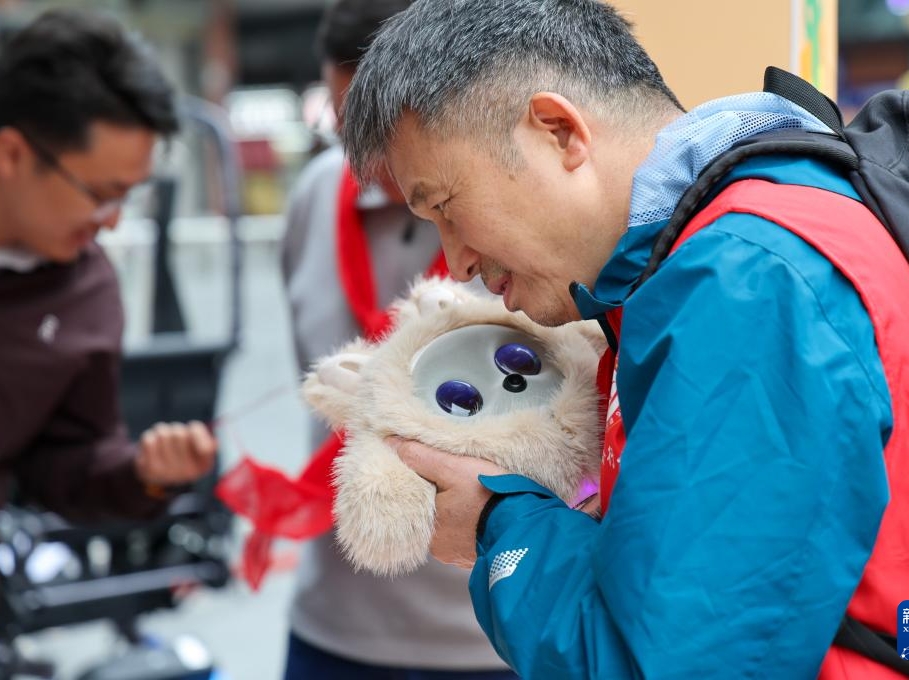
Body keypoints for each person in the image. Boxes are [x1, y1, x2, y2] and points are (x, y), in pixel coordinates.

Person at [340, 0, 909, 678]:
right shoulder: (731, 242)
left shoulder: (744, 280)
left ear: (557, 131)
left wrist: (499, 523)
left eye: (444, 206)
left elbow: (666, 664)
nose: (456, 260)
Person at [279, 1, 518, 678]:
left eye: (378, 127)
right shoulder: (313, 196)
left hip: (496, 635)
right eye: (341, 120)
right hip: (335, 627)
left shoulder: (518, 214)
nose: (360, 155)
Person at [0, 8, 217, 522]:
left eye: (126, 197)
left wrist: (140, 474)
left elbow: (64, 460)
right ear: (10, 154)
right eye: (100, 195)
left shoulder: (87, 289)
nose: (113, 222)